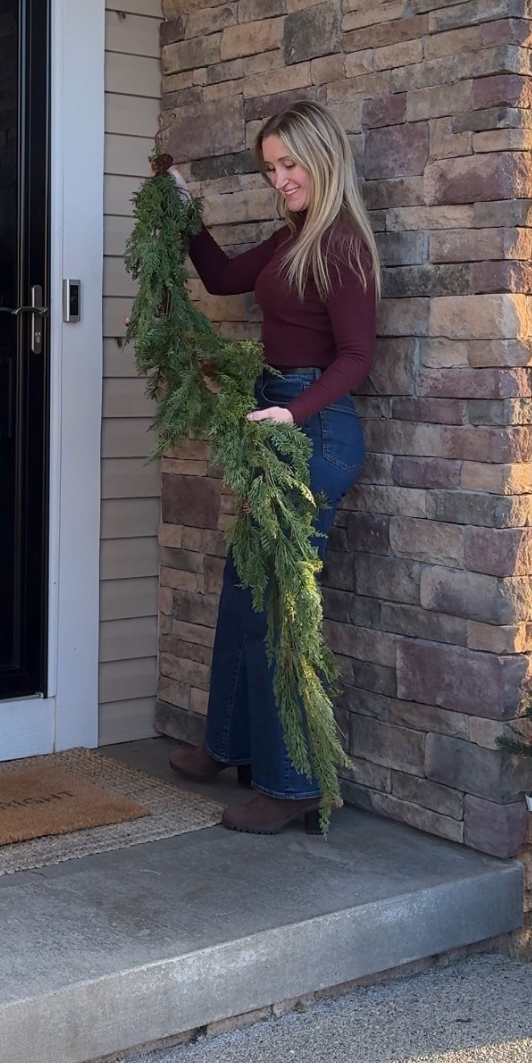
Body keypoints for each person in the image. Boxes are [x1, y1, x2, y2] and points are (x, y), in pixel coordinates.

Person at [166, 99, 379, 834]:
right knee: (241, 591)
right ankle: (226, 745)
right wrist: (184, 211)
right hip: (278, 425)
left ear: (322, 159)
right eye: (271, 168)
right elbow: (222, 277)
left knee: (274, 610)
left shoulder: (341, 245)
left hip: (314, 435)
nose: (279, 179)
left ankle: (291, 785)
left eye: (289, 165)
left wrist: (294, 412)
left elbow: (356, 357)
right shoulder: (292, 236)